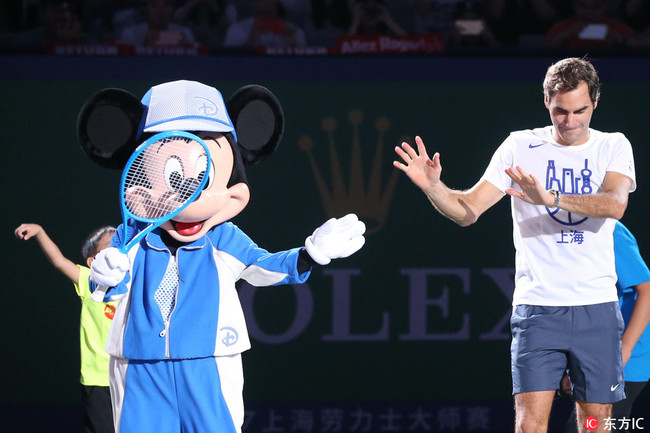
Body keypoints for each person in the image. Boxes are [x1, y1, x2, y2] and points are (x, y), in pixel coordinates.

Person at [393, 57, 636, 433]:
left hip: (596, 309)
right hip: (538, 310)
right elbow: (468, 210)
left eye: (579, 111)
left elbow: (614, 204)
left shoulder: (614, 146)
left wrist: (549, 198)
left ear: (595, 103)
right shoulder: (519, 146)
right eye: (560, 111)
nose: (569, 122)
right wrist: (434, 188)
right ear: (545, 102)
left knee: (596, 425)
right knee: (528, 425)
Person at [14, 223, 117, 433]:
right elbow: (59, 261)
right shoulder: (90, 281)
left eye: (121, 243)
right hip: (98, 379)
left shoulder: (139, 282)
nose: (118, 249)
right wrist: (41, 232)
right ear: (92, 262)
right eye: (110, 245)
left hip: (133, 377)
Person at [562, 221, 650, 432]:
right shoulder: (560, 231)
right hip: (594, 352)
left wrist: (623, 352)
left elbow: (647, 290)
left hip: (627, 354)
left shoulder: (609, 229)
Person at [118, 0, 195, 47]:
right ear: (146, 8)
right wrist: (142, 47)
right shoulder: (130, 34)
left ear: (172, 8)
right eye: (154, 5)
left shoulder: (185, 33)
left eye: (166, 5)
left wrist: (188, 49)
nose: (160, 11)